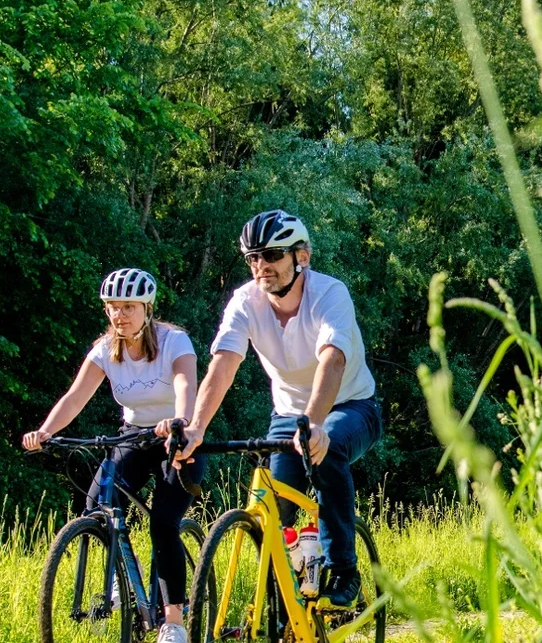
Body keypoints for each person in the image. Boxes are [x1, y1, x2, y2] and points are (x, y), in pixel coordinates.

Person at [176, 209, 382, 611]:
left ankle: (345, 572)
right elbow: (223, 363)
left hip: (352, 405)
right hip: (287, 413)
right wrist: (196, 426)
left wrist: (316, 425)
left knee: (326, 450)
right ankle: (285, 599)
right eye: (252, 257)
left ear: (300, 256)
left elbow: (333, 360)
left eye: (271, 255)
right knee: (276, 509)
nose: (261, 266)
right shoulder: (245, 301)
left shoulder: (330, 293)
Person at [22, 268, 201, 643]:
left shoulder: (174, 341)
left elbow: (186, 383)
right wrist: (47, 431)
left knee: (163, 523)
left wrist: (180, 421)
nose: (120, 314)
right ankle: (124, 579)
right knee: (96, 507)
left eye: (128, 307)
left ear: (147, 309)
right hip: (133, 437)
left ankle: (173, 623)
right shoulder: (105, 350)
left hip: (178, 438)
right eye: (113, 307)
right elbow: (75, 396)